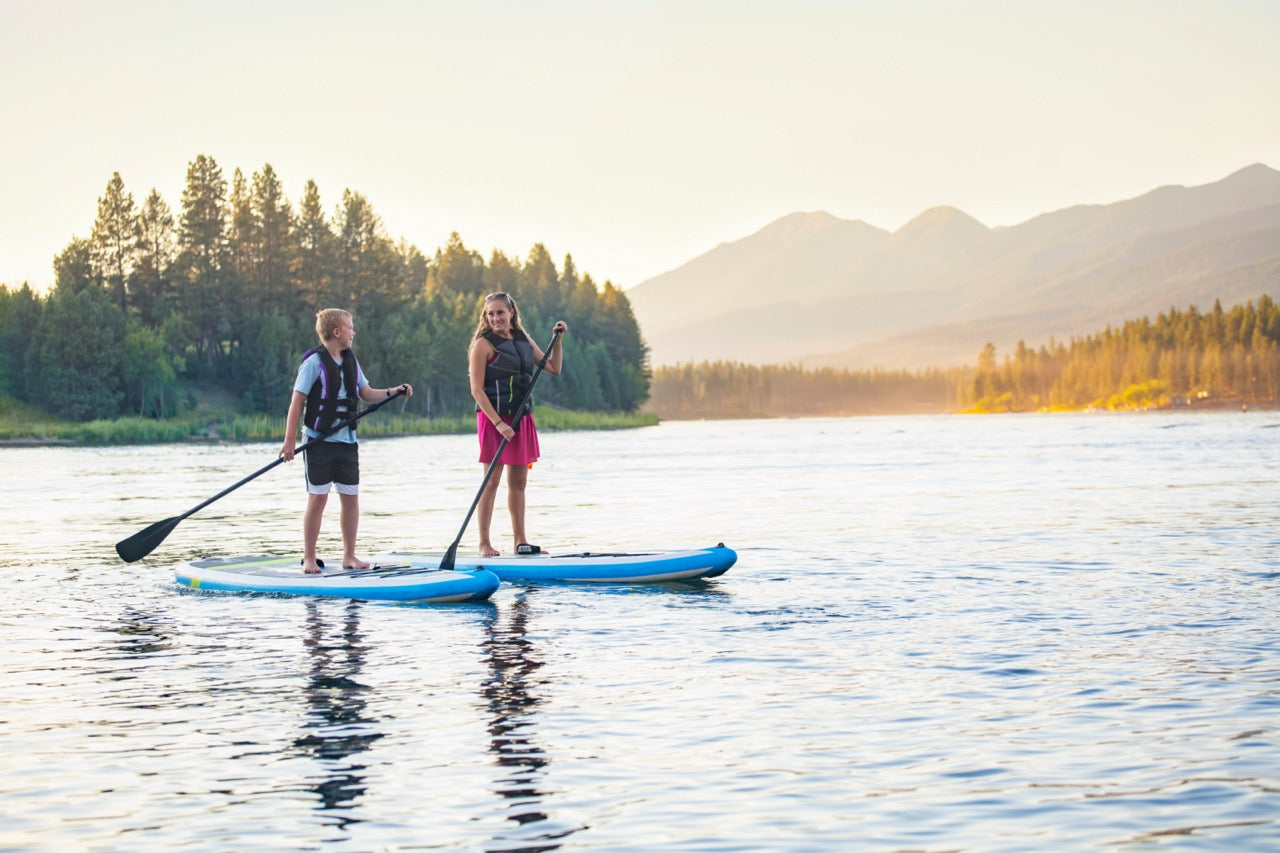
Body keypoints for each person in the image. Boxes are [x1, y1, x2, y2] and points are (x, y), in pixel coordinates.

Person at [280, 308, 412, 573]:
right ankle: (309, 557)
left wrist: (393, 391)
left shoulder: (352, 361)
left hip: (347, 442)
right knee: (317, 499)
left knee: (350, 498)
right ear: (337, 332)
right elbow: (297, 403)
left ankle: (349, 556)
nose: (354, 332)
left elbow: (366, 393)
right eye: (350, 327)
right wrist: (289, 442)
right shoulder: (313, 364)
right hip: (318, 442)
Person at [469, 292, 567, 557]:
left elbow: (553, 368)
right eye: (490, 313)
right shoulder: (482, 345)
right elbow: (477, 391)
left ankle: (520, 542)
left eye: (500, 312)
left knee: (519, 482)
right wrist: (499, 424)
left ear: (511, 312)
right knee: (491, 481)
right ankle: (484, 543)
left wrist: (557, 340)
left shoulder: (523, 339)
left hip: (521, 418)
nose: (495, 318)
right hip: (493, 419)